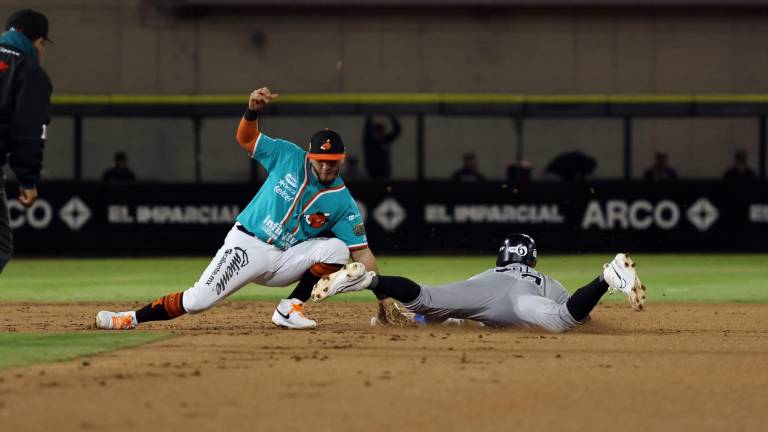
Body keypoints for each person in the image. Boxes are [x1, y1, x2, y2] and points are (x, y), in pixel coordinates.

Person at [95, 87, 401, 330]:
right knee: (199, 300)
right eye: (319, 160)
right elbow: (246, 138)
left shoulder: (342, 200)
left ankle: (289, 309)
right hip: (248, 244)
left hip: (285, 260)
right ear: (309, 156)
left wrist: (384, 298)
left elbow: (362, 253)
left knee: (337, 249)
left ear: (342, 159)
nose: (324, 166)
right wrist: (252, 110)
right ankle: (129, 318)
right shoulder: (287, 155)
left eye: (331, 161)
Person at [312, 234, 647, 332]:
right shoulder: (546, 280)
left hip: (483, 295)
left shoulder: (486, 276)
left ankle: (371, 279)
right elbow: (578, 316)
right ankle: (605, 277)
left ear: (502, 258)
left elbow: (434, 313)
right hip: (523, 302)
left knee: (426, 297)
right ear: (531, 259)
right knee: (562, 321)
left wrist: (412, 318)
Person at [0, 9, 53, 274]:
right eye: (43, 45)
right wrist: (28, 180)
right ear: (38, 41)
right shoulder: (29, 71)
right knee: (0, 246)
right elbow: (28, 131)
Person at [363, 114, 400, 179]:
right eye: (376, 133)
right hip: (372, 174)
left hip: (385, 173)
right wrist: (369, 114)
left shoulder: (386, 140)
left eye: (381, 133)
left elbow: (397, 130)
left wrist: (391, 115)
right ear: (373, 133)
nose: (379, 135)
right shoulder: (369, 142)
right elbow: (367, 129)